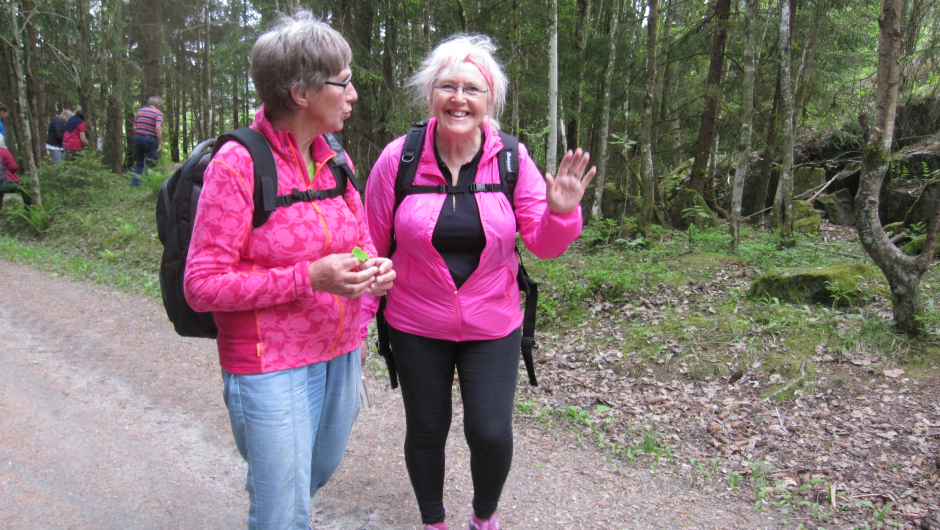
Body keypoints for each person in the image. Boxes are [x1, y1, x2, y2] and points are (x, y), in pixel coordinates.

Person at [362, 35, 596, 530]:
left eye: (472, 88)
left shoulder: (512, 159)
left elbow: (543, 243)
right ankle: (433, 521)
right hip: (415, 322)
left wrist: (561, 212)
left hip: (493, 322)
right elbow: (370, 244)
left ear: (491, 101)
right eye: (447, 86)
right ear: (431, 96)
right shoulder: (398, 159)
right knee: (426, 430)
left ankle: (483, 517)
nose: (459, 98)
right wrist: (357, 320)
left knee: (489, 432)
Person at [183, 11, 395, 530]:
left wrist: (374, 269)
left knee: (311, 475)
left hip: (340, 352)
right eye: (343, 83)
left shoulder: (334, 156)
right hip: (268, 362)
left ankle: (276, 487)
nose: (353, 94)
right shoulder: (237, 165)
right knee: (283, 512)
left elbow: (360, 240)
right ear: (302, 92)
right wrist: (309, 278)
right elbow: (202, 285)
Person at [131, 96, 163, 185]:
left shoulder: (140, 111)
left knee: (139, 163)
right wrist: (160, 143)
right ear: (159, 104)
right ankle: (151, 184)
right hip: (150, 139)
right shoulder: (158, 113)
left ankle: (135, 185)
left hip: (137, 138)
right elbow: (158, 127)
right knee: (151, 164)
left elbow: (134, 127)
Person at [0, 135, 33, 214]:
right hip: (5, 182)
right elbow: (13, 166)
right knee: (25, 189)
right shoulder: (4, 152)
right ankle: (29, 209)